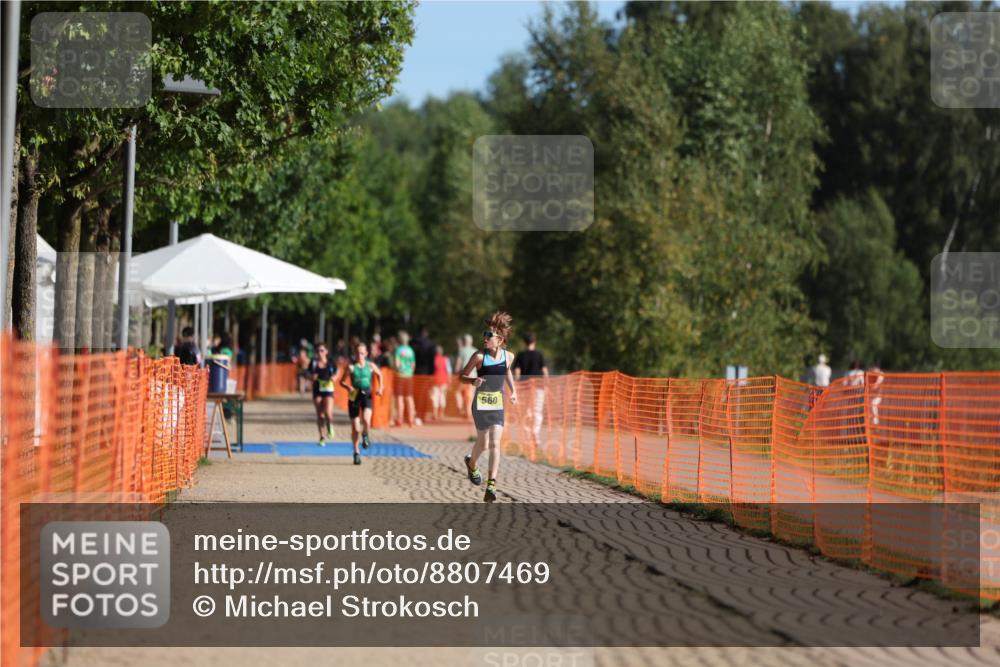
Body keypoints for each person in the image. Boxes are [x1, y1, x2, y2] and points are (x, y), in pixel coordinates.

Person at [460, 312, 517, 503]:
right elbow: (461, 376)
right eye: (484, 335)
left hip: (497, 404)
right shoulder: (478, 357)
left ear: (499, 340)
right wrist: (472, 380)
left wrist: (513, 390)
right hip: (481, 404)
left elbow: (507, 371)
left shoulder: (509, 356)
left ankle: (491, 485)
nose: (484, 338)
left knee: (495, 444)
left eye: (488, 336)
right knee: (483, 444)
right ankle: (471, 463)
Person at [340, 341, 384, 465]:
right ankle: (356, 452)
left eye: (362, 353)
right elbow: (341, 382)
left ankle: (365, 435)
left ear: (366, 354)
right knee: (355, 427)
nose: (360, 356)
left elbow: (380, 375)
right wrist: (348, 387)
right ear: (354, 354)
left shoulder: (370, 366)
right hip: (354, 396)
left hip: (367, 395)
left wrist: (381, 388)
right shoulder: (351, 367)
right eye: (357, 353)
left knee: (366, 420)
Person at [512, 332, 549, 446]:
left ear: (524, 342)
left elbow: (517, 371)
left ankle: (528, 435)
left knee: (526, 411)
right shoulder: (539, 354)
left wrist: (517, 383)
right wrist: (546, 384)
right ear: (535, 341)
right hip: (538, 386)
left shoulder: (521, 355)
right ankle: (535, 434)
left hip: (525, 386)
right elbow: (544, 371)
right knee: (537, 411)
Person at [309, 343, 337, 446]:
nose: (319, 353)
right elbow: (309, 374)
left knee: (328, 413)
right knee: (320, 414)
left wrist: (334, 378)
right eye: (317, 351)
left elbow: (336, 372)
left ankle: (330, 426)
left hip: (328, 389)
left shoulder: (330, 363)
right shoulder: (314, 363)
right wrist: (312, 377)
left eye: (322, 350)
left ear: (326, 351)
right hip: (317, 389)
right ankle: (322, 437)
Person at [394, 331, 418, 427]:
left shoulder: (398, 350)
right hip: (409, 376)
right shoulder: (411, 350)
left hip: (400, 375)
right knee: (409, 397)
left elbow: (397, 364)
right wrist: (410, 372)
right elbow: (413, 364)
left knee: (399, 397)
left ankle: (399, 419)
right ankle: (411, 420)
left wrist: (398, 370)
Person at [454, 334, 477, 420]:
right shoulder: (476, 350)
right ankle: (468, 412)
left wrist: (456, 372)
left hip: (464, 375)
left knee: (457, 392)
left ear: (464, 341)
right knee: (470, 395)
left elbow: (458, 364)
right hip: (473, 376)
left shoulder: (462, 350)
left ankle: (460, 408)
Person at [431, 345, 452, 420]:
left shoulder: (433, 359)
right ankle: (441, 414)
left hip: (435, 380)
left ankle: (435, 414)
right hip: (444, 380)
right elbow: (449, 371)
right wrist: (449, 381)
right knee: (442, 397)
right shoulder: (446, 359)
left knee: (435, 397)